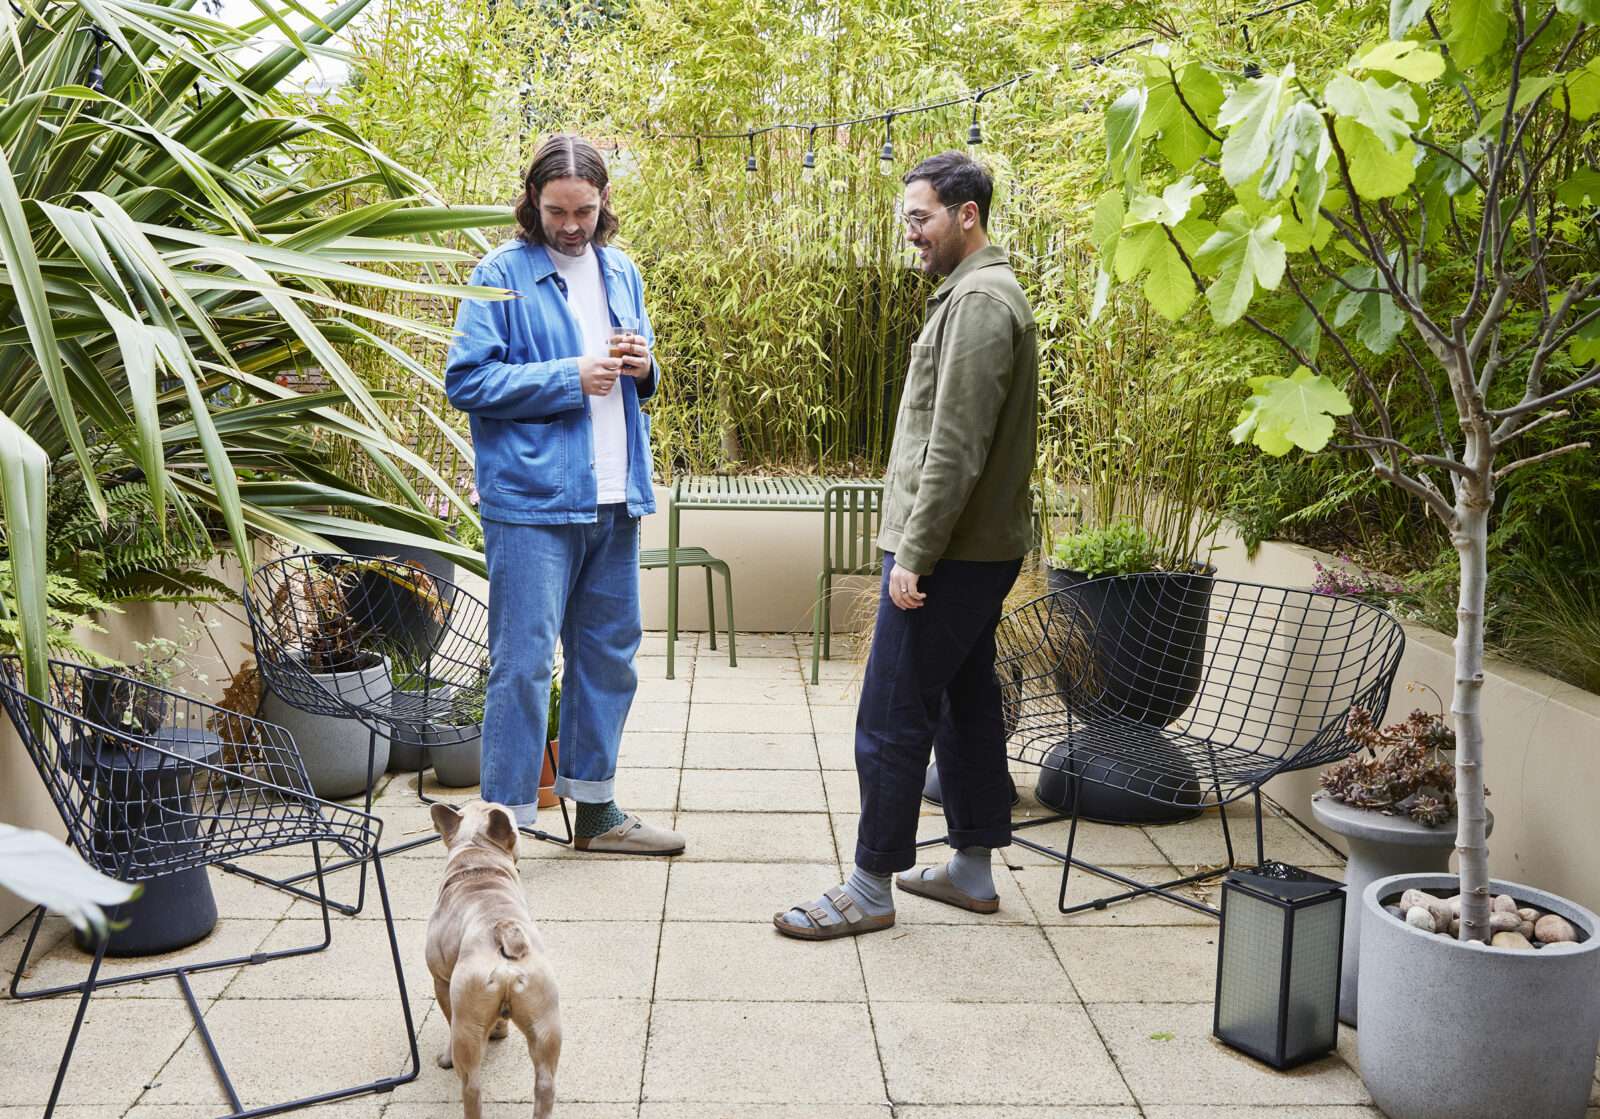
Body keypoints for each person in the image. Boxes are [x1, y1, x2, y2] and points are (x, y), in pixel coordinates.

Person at [775, 151, 1037, 938]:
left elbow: (953, 447)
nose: (910, 234)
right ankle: (971, 869)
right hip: (973, 547)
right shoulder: (976, 293)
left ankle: (869, 884)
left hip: (949, 552)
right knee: (964, 702)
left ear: (967, 215)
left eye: (919, 218)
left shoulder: (982, 302)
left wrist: (915, 554)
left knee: (891, 713)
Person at [445, 134, 685, 855]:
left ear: (604, 202)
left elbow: (637, 378)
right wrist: (566, 375)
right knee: (521, 663)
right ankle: (501, 826)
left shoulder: (621, 271)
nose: (572, 224)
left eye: (585, 209)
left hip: (614, 495)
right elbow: (466, 380)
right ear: (532, 202)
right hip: (532, 502)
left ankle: (598, 809)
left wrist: (647, 367)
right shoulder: (501, 273)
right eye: (557, 210)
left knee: (609, 655)